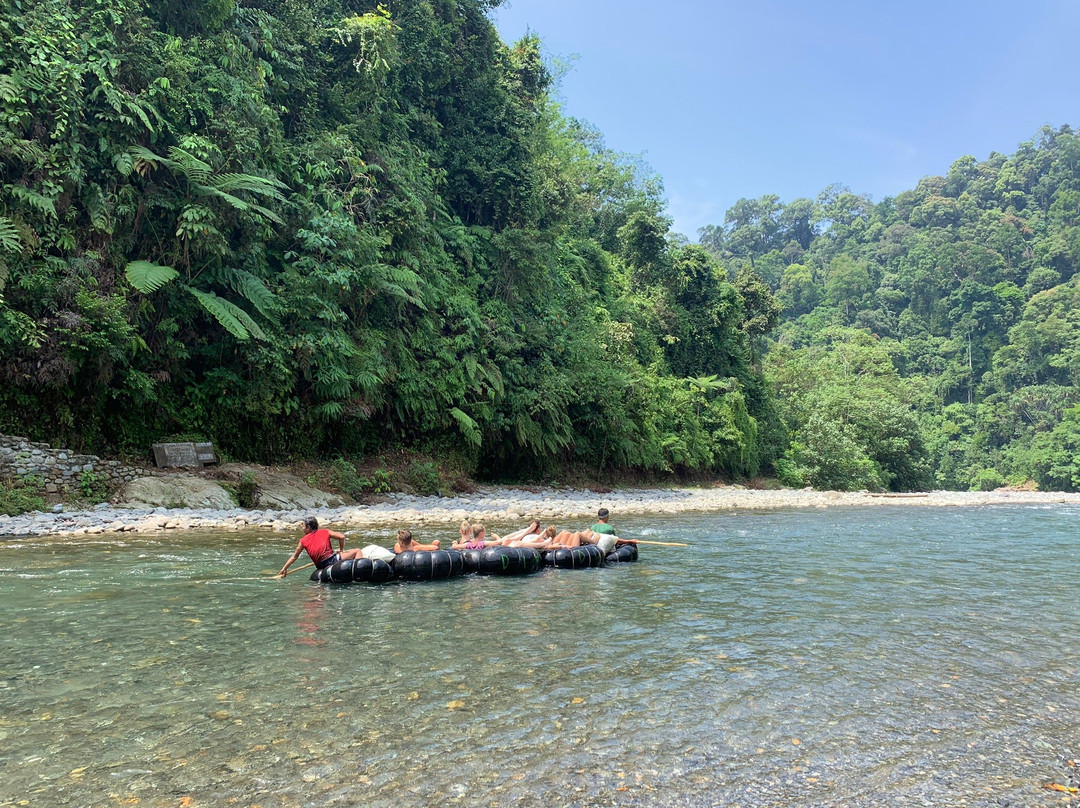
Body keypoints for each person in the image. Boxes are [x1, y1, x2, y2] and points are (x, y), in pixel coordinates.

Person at [278, 516, 363, 577]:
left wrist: (284, 568)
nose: (302, 528)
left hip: (321, 566)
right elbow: (342, 537)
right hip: (333, 560)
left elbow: (294, 557)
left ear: (309, 527)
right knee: (357, 551)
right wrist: (341, 550)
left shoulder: (302, 541)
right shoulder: (325, 531)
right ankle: (360, 571)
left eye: (303, 526)